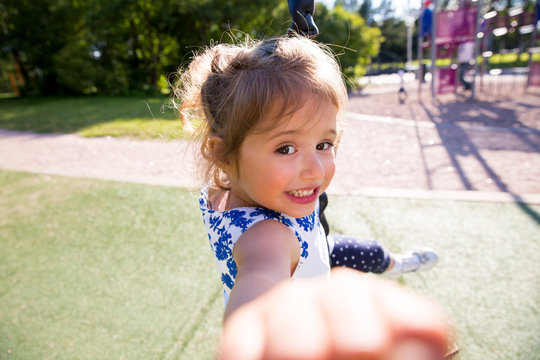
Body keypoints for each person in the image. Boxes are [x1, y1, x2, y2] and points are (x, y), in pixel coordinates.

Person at [174, 35, 451, 359]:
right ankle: (400, 263)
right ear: (223, 154)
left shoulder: (239, 189)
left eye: (324, 144)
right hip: (307, 264)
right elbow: (259, 284)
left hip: (316, 248)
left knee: (371, 254)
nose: (314, 170)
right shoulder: (268, 238)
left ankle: (399, 262)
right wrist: (263, 338)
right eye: (286, 148)